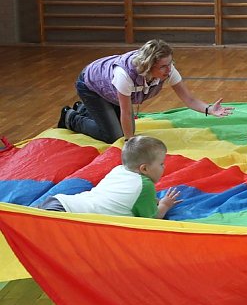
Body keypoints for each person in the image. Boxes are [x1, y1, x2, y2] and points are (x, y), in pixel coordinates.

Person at [58, 39, 234, 144]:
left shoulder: (168, 70)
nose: (168, 70)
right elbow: (127, 113)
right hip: (91, 87)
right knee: (115, 136)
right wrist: (128, 142)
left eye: (170, 64)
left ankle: (85, 109)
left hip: (112, 90)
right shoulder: (124, 75)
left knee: (125, 130)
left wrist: (209, 109)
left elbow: (188, 98)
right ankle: (71, 117)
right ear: (149, 66)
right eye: (163, 66)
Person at [37, 135, 181, 219]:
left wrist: (154, 200)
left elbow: (132, 197)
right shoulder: (145, 185)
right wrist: (164, 205)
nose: (164, 167)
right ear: (144, 168)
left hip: (58, 202)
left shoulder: (119, 170)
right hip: (66, 216)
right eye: (161, 164)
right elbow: (152, 220)